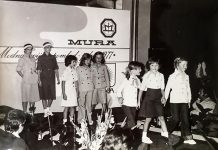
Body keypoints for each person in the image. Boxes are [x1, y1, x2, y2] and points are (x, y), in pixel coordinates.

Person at [165, 57, 196, 145]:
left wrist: (189, 100)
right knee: (176, 119)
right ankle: (166, 131)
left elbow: (188, 88)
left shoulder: (186, 76)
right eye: (183, 65)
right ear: (177, 65)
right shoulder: (172, 76)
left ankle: (187, 137)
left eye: (186, 65)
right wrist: (165, 98)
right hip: (175, 100)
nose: (185, 66)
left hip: (184, 100)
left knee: (185, 119)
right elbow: (168, 88)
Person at [138, 58, 168, 144]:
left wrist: (164, 97)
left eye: (156, 65)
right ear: (149, 66)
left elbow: (162, 88)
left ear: (159, 66)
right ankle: (144, 136)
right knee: (148, 118)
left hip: (158, 97)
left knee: (161, 117)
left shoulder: (161, 75)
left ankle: (166, 135)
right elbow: (142, 89)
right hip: (149, 97)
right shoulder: (146, 75)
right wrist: (138, 100)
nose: (154, 67)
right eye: (152, 65)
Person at [37, 42, 60, 117]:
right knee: (44, 94)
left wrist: (58, 78)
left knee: (51, 94)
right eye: (47, 47)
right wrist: (39, 79)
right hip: (43, 77)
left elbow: (56, 68)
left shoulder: (53, 57)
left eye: (50, 47)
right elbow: (39, 69)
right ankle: (45, 111)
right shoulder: (40, 57)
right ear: (44, 48)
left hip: (51, 77)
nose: (49, 49)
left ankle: (48, 109)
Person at [117, 61, 141, 129]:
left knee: (130, 120)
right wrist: (120, 97)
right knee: (131, 121)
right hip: (126, 104)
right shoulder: (126, 79)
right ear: (133, 70)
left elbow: (142, 88)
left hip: (133, 104)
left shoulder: (137, 79)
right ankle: (132, 135)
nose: (141, 70)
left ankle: (125, 134)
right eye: (139, 69)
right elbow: (119, 90)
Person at [16, 44, 40, 114]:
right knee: (25, 97)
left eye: (31, 49)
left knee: (32, 97)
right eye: (28, 49)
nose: (30, 51)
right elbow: (18, 70)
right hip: (26, 80)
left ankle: (32, 114)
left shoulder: (33, 59)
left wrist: (37, 77)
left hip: (33, 79)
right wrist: (24, 76)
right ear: (25, 50)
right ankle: (24, 113)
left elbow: (35, 69)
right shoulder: (22, 59)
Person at [77, 53, 94, 125]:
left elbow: (93, 79)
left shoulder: (91, 68)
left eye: (89, 60)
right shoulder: (78, 68)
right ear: (83, 60)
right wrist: (77, 90)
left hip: (90, 88)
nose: (88, 61)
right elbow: (77, 80)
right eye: (86, 60)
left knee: (89, 105)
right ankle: (82, 120)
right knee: (81, 105)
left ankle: (90, 119)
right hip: (82, 88)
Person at [61, 55, 78, 125]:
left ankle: (71, 120)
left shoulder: (74, 70)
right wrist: (64, 93)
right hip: (67, 92)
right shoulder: (66, 71)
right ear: (69, 62)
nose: (75, 63)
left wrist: (77, 92)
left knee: (73, 107)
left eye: (75, 62)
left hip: (73, 91)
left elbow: (76, 81)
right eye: (73, 62)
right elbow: (63, 83)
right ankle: (64, 121)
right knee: (66, 107)